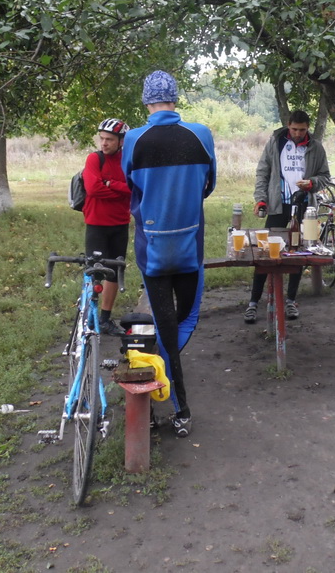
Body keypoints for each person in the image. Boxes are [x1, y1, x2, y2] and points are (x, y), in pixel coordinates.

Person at [121, 70, 216, 437]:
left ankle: (147, 369)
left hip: (152, 247)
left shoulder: (134, 138)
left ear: (146, 101)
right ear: (176, 98)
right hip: (190, 243)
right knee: (185, 319)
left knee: (164, 325)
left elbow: (131, 183)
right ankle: (178, 404)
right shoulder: (200, 134)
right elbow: (209, 185)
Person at [244, 110, 331, 323]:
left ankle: (291, 300)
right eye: (294, 129)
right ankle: (253, 302)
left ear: (308, 128)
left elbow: (325, 176)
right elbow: (263, 171)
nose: (298, 133)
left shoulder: (316, 147)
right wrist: (261, 199)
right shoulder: (276, 142)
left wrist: (312, 183)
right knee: (264, 253)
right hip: (277, 205)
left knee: (298, 253)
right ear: (288, 125)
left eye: (302, 130)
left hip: (303, 207)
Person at [82, 117, 131, 335]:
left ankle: (104, 319)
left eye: (109, 139)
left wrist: (110, 184)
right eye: (102, 138)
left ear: (121, 141)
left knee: (114, 272)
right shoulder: (94, 159)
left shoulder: (128, 160)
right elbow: (93, 189)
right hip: (96, 223)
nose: (104, 143)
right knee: (94, 272)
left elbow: (134, 188)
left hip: (120, 223)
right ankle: (89, 317)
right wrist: (120, 190)